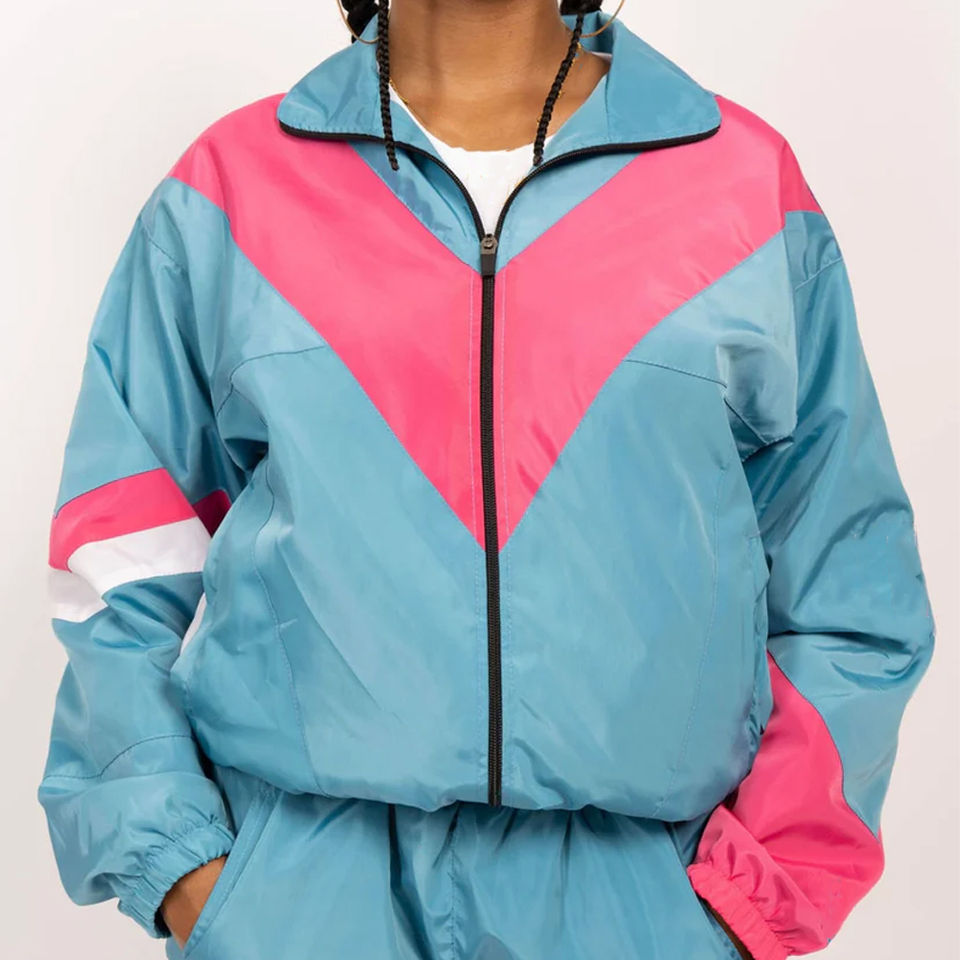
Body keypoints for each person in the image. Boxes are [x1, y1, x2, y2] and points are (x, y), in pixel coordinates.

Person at [38, 0, 936, 957]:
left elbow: (849, 592)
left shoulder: (743, 187)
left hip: (640, 910)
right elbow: (121, 569)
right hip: (301, 904)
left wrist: (740, 906)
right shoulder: (231, 191)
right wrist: (190, 874)